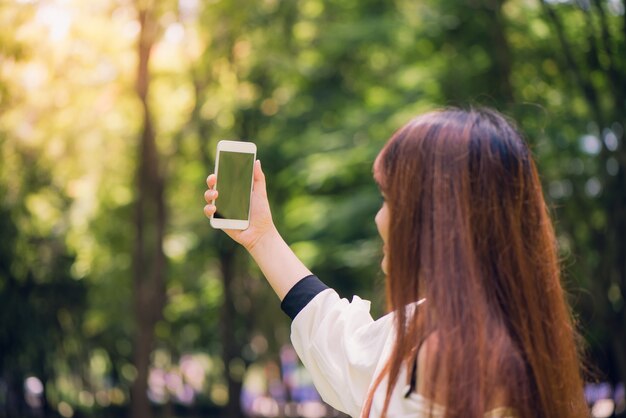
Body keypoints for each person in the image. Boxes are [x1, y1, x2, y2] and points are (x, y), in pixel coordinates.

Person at [203, 107, 588, 418]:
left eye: (389, 199)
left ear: (439, 218)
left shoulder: (446, 358)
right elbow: (347, 350)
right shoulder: (480, 329)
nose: (379, 218)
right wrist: (262, 236)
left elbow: (356, 368)